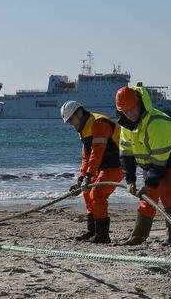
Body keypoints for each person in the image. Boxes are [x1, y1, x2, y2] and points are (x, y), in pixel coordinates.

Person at [115, 85, 171, 245]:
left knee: (165, 188)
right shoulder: (125, 125)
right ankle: (137, 237)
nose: (130, 113)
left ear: (140, 103)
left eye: (132, 108)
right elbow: (125, 155)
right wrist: (130, 181)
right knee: (148, 197)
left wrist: (148, 183)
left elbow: (160, 163)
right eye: (125, 110)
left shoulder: (158, 124)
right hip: (150, 161)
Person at [61, 100, 124, 243]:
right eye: (68, 121)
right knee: (87, 192)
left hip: (117, 164)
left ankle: (103, 236)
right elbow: (86, 157)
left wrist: (89, 176)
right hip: (103, 165)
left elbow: (97, 151)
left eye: (71, 119)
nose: (71, 123)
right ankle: (92, 231)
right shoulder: (83, 129)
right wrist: (81, 179)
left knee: (98, 193)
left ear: (79, 113)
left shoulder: (99, 123)